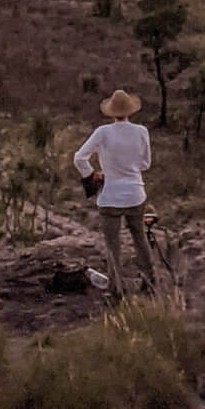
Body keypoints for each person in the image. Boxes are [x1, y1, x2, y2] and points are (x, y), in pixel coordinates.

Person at [74, 88, 155, 296]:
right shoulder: (141, 131)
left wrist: (93, 175)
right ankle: (150, 281)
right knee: (140, 238)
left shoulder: (103, 133)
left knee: (113, 244)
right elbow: (145, 164)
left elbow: (79, 158)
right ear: (130, 111)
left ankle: (116, 289)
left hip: (110, 195)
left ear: (111, 112)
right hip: (135, 193)